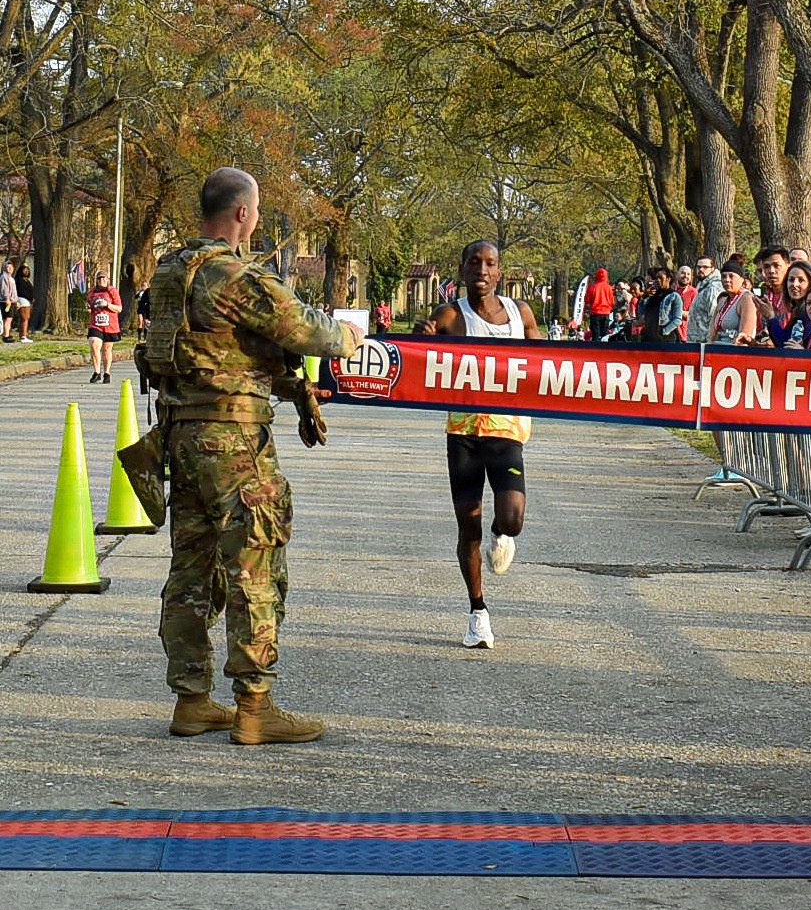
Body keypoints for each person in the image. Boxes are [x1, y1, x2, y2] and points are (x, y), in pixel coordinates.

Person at [145, 167, 364, 744]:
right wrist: (351, 338)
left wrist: (294, 391)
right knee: (254, 567)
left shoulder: (171, 272)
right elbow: (306, 330)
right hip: (235, 445)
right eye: (258, 210)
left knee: (191, 570)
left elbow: (220, 352)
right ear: (243, 213)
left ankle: (191, 700)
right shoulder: (233, 274)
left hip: (182, 439)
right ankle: (254, 706)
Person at [413, 240, 542, 650]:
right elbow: (424, 356)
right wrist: (424, 338)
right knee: (466, 526)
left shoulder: (520, 313)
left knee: (513, 518)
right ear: (463, 270)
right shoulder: (450, 314)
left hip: (506, 431)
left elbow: (548, 358)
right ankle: (477, 612)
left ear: (499, 272)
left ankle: (500, 534)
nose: (482, 270)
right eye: (474, 263)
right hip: (464, 435)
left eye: (490, 264)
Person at [764, 260, 811, 348]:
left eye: (801, 280)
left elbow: (786, 346)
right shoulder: (798, 310)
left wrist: (771, 318)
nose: (794, 284)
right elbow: (786, 342)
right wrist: (770, 317)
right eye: (791, 280)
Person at [86, 270, 123, 383]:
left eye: (104, 278)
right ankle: (96, 372)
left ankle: (107, 373)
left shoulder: (113, 291)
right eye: (99, 278)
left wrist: (107, 304)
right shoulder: (92, 292)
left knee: (106, 350)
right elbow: (88, 304)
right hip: (95, 324)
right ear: (96, 281)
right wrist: (89, 306)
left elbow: (119, 308)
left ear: (107, 280)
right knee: (94, 344)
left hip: (110, 325)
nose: (101, 280)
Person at [709, 261, 757, 344]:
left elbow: (745, 336)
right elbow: (712, 332)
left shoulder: (746, 299)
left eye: (731, 276)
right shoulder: (722, 300)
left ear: (742, 279)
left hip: (735, 351)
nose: (727, 280)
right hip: (717, 349)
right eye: (723, 276)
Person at [638, 267, 683, 343]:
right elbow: (641, 311)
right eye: (656, 278)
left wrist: (664, 331)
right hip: (648, 337)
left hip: (665, 338)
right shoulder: (651, 295)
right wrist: (645, 295)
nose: (658, 280)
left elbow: (677, 319)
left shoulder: (674, 296)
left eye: (660, 278)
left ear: (668, 279)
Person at [685, 255, 724, 342]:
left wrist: (709, 342)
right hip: (696, 340)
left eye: (705, 267)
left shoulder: (712, 288)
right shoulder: (702, 286)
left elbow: (713, 318)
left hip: (704, 343)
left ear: (712, 268)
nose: (701, 269)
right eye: (699, 267)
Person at [585, 266, 614, 341]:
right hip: (606, 313)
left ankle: (595, 350)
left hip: (595, 313)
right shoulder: (609, 288)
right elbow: (612, 302)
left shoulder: (592, 288)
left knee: (595, 334)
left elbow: (587, 301)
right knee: (604, 335)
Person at [675, 265, 696, 341]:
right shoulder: (671, 290)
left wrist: (676, 312)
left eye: (688, 274)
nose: (685, 276)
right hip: (671, 334)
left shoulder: (694, 292)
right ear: (677, 275)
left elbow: (694, 315)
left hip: (685, 335)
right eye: (683, 273)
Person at [14, 265, 33, 342]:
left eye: (27, 270)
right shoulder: (19, 280)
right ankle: (23, 336)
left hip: (28, 301)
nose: (26, 271)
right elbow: (22, 292)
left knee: (26, 318)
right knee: (24, 318)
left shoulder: (27, 281)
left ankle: (23, 335)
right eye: (24, 270)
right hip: (23, 300)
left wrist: (32, 298)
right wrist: (29, 298)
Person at [1, 261, 16, 342]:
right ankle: (5, 336)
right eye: (7, 267)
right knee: (7, 318)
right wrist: (7, 299)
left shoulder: (11, 278)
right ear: (4, 268)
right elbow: (4, 290)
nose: (9, 269)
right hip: (5, 301)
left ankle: (8, 334)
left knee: (9, 318)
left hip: (12, 301)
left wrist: (16, 300)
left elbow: (14, 291)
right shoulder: (4, 277)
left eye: (11, 267)